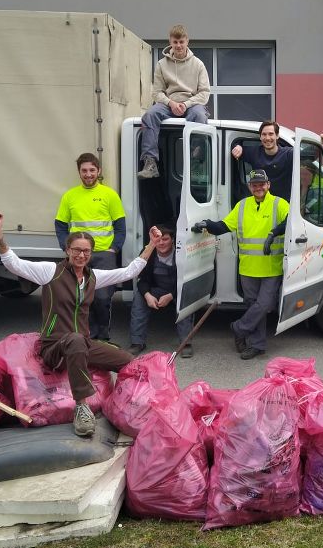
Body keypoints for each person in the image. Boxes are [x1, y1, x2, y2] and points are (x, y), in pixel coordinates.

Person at [0, 212, 162, 437]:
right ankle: (81, 407)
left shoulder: (93, 277)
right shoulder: (50, 272)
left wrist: (151, 244)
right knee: (76, 339)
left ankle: (130, 405)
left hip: (82, 344)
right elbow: (13, 264)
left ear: (91, 253)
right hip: (54, 347)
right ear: (67, 250)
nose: (81, 255)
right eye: (77, 250)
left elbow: (129, 272)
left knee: (127, 361)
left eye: (86, 251)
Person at [191, 169, 288, 360]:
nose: (258, 187)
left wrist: (273, 233)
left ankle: (239, 327)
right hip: (248, 267)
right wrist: (207, 224)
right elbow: (225, 226)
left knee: (265, 304)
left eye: (262, 184)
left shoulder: (279, 204)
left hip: (271, 267)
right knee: (252, 305)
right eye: (254, 185)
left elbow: (291, 222)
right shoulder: (242, 205)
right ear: (250, 187)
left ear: (268, 185)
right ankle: (256, 345)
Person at [54, 153, 125, 343]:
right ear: (79, 172)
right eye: (84, 170)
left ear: (99, 171)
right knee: (80, 298)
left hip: (104, 255)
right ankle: (87, 336)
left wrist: (114, 249)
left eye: (92, 170)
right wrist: (66, 247)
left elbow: (120, 226)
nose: (88, 174)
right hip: (78, 255)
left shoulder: (109, 195)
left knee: (102, 298)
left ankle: (103, 337)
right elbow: (60, 225)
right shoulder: (70, 196)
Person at [137, 24, 211, 179]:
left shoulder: (198, 64)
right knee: (150, 115)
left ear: (187, 41)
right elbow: (156, 92)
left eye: (181, 42)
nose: (178, 45)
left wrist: (186, 104)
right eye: (175, 42)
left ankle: (196, 163)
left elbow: (204, 93)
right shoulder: (161, 64)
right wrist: (171, 103)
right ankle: (150, 163)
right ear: (170, 41)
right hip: (167, 104)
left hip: (192, 104)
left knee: (199, 116)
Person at [127, 225, 194, 358]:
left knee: (184, 298)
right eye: (158, 240)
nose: (161, 243)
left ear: (173, 240)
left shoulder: (182, 253)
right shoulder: (148, 253)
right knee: (139, 297)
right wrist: (147, 295)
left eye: (165, 239)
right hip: (157, 289)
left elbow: (187, 279)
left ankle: (186, 343)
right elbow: (143, 279)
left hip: (178, 289)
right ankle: (137, 342)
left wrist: (171, 295)